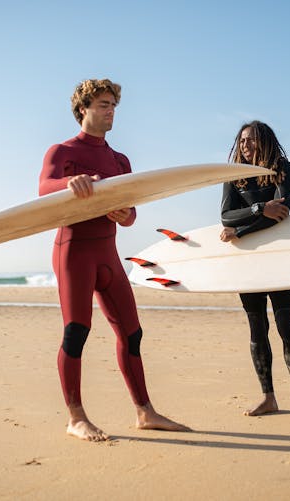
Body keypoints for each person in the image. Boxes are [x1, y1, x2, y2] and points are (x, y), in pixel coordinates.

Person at [39, 78, 190, 441]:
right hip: (74, 251)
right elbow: (43, 190)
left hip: (108, 254)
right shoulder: (62, 152)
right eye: (104, 105)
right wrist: (70, 182)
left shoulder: (119, 160)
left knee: (132, 333)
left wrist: (125, 214)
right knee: (77, 333)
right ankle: (75, 417)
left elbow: (132, 211)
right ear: (83, 110)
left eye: (113, 106)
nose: (111, 112)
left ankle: (145, 412)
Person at [219, 120, 290, 418]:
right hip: (247, 260)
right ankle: (268, 398)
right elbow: (226, 217)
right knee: (257, 328)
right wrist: (259, 209)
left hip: (279, 258)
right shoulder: (234, 176)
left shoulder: (284, 170)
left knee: (286, 325)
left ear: (265, 140)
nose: (245, 146)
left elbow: (282, 214)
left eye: (251, 140)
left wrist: (242, 230)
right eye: (242, 141)